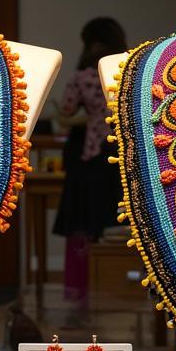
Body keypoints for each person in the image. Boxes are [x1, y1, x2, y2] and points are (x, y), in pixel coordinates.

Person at [52, 17, 128, 309]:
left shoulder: (82, 76)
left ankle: (79, 294)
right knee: (116, 224)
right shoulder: (125, 72)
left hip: (87, 156)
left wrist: (74, 116)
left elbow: (67, 110)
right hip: (119, 153)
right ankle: (118, 291)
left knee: (81, 223)